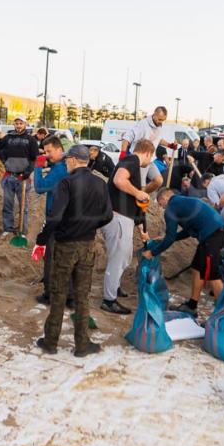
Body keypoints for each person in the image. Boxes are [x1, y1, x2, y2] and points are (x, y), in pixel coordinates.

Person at [32, 145, 114, 357]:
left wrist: (42, 238)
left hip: (66, 245)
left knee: (59, 295)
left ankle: (50, 342)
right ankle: (82, 344)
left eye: (68, 159)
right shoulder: (100, 183)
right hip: (88, 245)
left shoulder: (67, 182)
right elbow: (107, 216)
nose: (66, 162)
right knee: (82, 296)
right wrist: (88, 225)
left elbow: (55, 216)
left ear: (75, 160)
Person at [143, 188, 224, 316]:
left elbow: (170, 239)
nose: (161, 208)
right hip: (214, 234)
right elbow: (187, 231)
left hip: (212, 236)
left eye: (160, 204)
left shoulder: (171, 208)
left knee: (212, 275)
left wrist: (152, 253)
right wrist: (166, 237)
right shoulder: (183, 202)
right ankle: (192, 305)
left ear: (164, 198)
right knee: (196, 268)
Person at [101, 139, 155, 315]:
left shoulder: (132, 165)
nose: (150, 161)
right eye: (151, 157)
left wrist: (142, 230)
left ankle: (114, 287)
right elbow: (118, 180)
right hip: (117, 217)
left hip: (124, 218)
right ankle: (109, 300)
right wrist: (138, 192)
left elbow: (134, 203)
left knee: (124, 256)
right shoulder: (131, 161)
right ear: (147, 153)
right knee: (118, 257)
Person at [33, 137, 70, 304]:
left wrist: (38, 167)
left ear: (59, 149)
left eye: (49, 151)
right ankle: (69, 294)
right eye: (44, 152)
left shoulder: (59, 170)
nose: (47, 155)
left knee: (51, 257)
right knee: (66, 258)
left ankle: (49, 293)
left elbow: (40, 187)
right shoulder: (66, 166)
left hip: (56, 218)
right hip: (69, 218)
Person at [0, 116, 39, 238]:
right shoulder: (8, 138)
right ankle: (8, 228)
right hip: (9, 176)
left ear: (25, 124)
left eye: (21, 123)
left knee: (23, 206)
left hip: (23, 178)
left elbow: (34, 158)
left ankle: (22, 231)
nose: (18, 125)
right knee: (7, 205)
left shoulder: (30, 140)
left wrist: (28, 171)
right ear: (14, 124)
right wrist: (4, 159)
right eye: (16, 123)